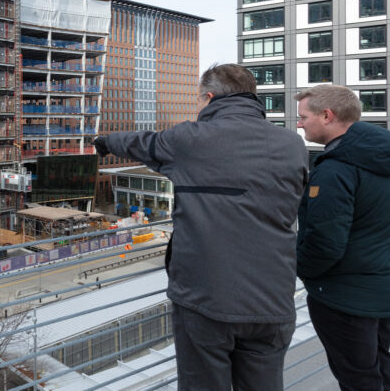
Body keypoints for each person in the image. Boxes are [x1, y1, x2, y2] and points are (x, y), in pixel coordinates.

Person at [92, 64, 306, 391]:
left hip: (206, 299)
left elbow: (141, 143)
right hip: (273, 300)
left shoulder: (190, 139)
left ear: (209, 97)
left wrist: (104, 141)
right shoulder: (292, 144)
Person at [294, 84, 390, 391]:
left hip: (344, 296)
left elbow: (324, 242)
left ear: (327, 116)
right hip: (385, 286)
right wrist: (375, 249)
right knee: (379, 366)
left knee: (358, 379)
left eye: (303, 116)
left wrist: (303, 270)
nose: (299, 124)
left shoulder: (335, 169)